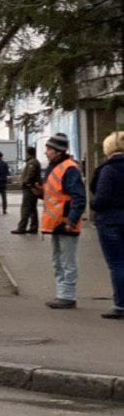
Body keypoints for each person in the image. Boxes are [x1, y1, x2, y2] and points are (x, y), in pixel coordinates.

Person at [36, 132, 87, 309]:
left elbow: (78, 197)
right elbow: (56, 195)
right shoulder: (55, 167)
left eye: (49, 149)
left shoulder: (69, 168)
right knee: (58, 260)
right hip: (56, 222)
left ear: (58, 151)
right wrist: (39, 193)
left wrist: (71, 220)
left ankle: (67, 295)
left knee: (67, 260)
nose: (46, 152)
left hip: (66, 223)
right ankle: (61, 293)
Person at [91, 131, 124, 320]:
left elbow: (101, 198)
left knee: (117, 264)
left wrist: (93, 206)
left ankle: (120, 305)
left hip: (111, 221)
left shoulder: (108, 170)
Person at [11, 146, 42, 234]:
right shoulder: (33, 162)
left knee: (25, 208)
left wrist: (24, 182)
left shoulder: (32, 162)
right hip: (32, 188)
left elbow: (30, 174)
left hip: (29, 188)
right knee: (32, 208)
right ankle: (33, 227)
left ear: (28, 153)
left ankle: (22, 227)